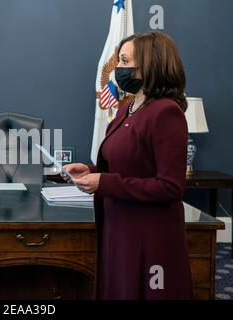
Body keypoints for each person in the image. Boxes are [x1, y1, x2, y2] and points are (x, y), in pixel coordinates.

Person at [62, 32, 192, 299]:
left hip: (149, 237)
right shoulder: (127, 108)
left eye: (123, 61)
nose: (117, 68)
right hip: (119, 227)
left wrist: (104, 183)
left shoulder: (166, 113)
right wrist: (92, 171)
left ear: (148, 65)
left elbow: (170, 187)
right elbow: (126, 165)